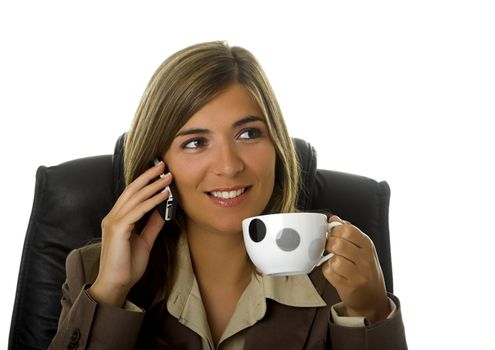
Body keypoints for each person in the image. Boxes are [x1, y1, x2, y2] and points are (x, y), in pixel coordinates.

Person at [49, 41, 407, 350]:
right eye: (195, 143)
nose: (228, 166)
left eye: (249, 134)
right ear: (157, 166)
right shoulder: (94, 273)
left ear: (278, 147)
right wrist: (112, 291)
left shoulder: (337, 281)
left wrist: (369, 312)